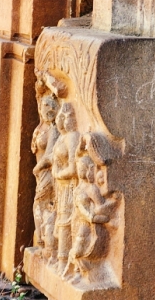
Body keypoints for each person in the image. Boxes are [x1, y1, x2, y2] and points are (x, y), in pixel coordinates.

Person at [63, 136, 120, 283]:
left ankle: (80, 272)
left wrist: (112, 205)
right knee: (75, 248)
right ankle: (77, 271)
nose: (80, 171)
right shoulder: (80, 186)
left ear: (90, 170)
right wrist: (82, 144)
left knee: (78, 250)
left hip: (87, 223)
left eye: (83, 169)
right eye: (79, 169)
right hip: (77, 221)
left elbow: (100, 206)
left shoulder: (91, 189)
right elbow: (76, 157)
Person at [51, 102, 81, 266]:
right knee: (60, 221)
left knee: (66, 223)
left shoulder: (72, 137)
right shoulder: (62, 137)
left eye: (65, 116)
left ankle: (66, 262)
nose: (61, 120)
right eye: (60, 116)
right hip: (60, 187)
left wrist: (58, 173)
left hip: (70, 186)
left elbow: (74, 168)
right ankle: (60, 259)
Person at [31, 91, 59, 255]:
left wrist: (38, 168)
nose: (46, 109)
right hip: (41, 173)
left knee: (40, 203)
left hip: (47, 172)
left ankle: (44, 243)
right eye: (44, 105)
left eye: (50, 105)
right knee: (40, 205)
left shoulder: (54, 129)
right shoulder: (43, 127)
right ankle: (42, 240)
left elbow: (50, 155)